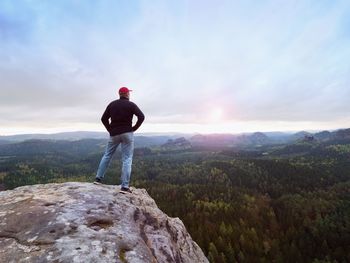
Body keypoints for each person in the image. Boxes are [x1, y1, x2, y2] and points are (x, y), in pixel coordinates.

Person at [94, 87, 145, 193]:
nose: (129, 95)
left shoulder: (112, 104)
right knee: (127, 159)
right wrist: (134, 128)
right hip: (127, 133)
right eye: (129, 93)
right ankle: (125, 186)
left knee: (107, 155)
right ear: (127, 94)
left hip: (114, 134)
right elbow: (141, 116)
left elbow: (103, 119)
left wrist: (110, 130)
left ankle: (98, 178)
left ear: (119, 94)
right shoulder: (131, 105)